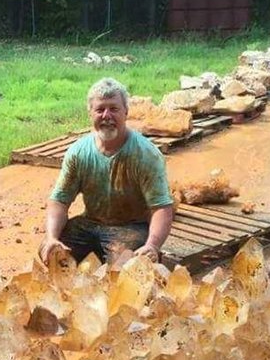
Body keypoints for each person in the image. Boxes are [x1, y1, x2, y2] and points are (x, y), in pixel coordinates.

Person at [39, 77, 174, 265]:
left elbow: (162, 208)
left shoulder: (146, 154)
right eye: (100, 109)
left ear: (126, 112)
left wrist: (152, 245)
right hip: (90, 224)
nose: (106, 116)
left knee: (127, 268)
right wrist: (52, 237)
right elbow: (59, 200)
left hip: (131, 227)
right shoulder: (78, 152)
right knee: (52, 252)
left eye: (114, 109)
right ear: (90, 113)